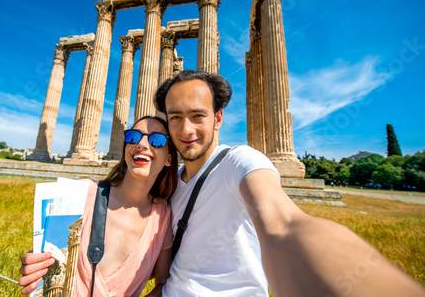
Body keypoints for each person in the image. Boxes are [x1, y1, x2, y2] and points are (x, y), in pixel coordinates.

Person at [153, 70, 425, 297]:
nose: (185, 129)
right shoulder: (171, 182)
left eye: (198, 115)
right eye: (175, 117)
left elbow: (283, 223)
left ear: (218, 118)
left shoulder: (239, 161)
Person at [19, 116, 178, 297]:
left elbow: (163, 284)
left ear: (169, 159)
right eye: (133, 137)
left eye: (156, 140)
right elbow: (50, 253)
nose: (141, 144)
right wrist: (36, 265)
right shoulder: (79, 193)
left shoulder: (162, 215)